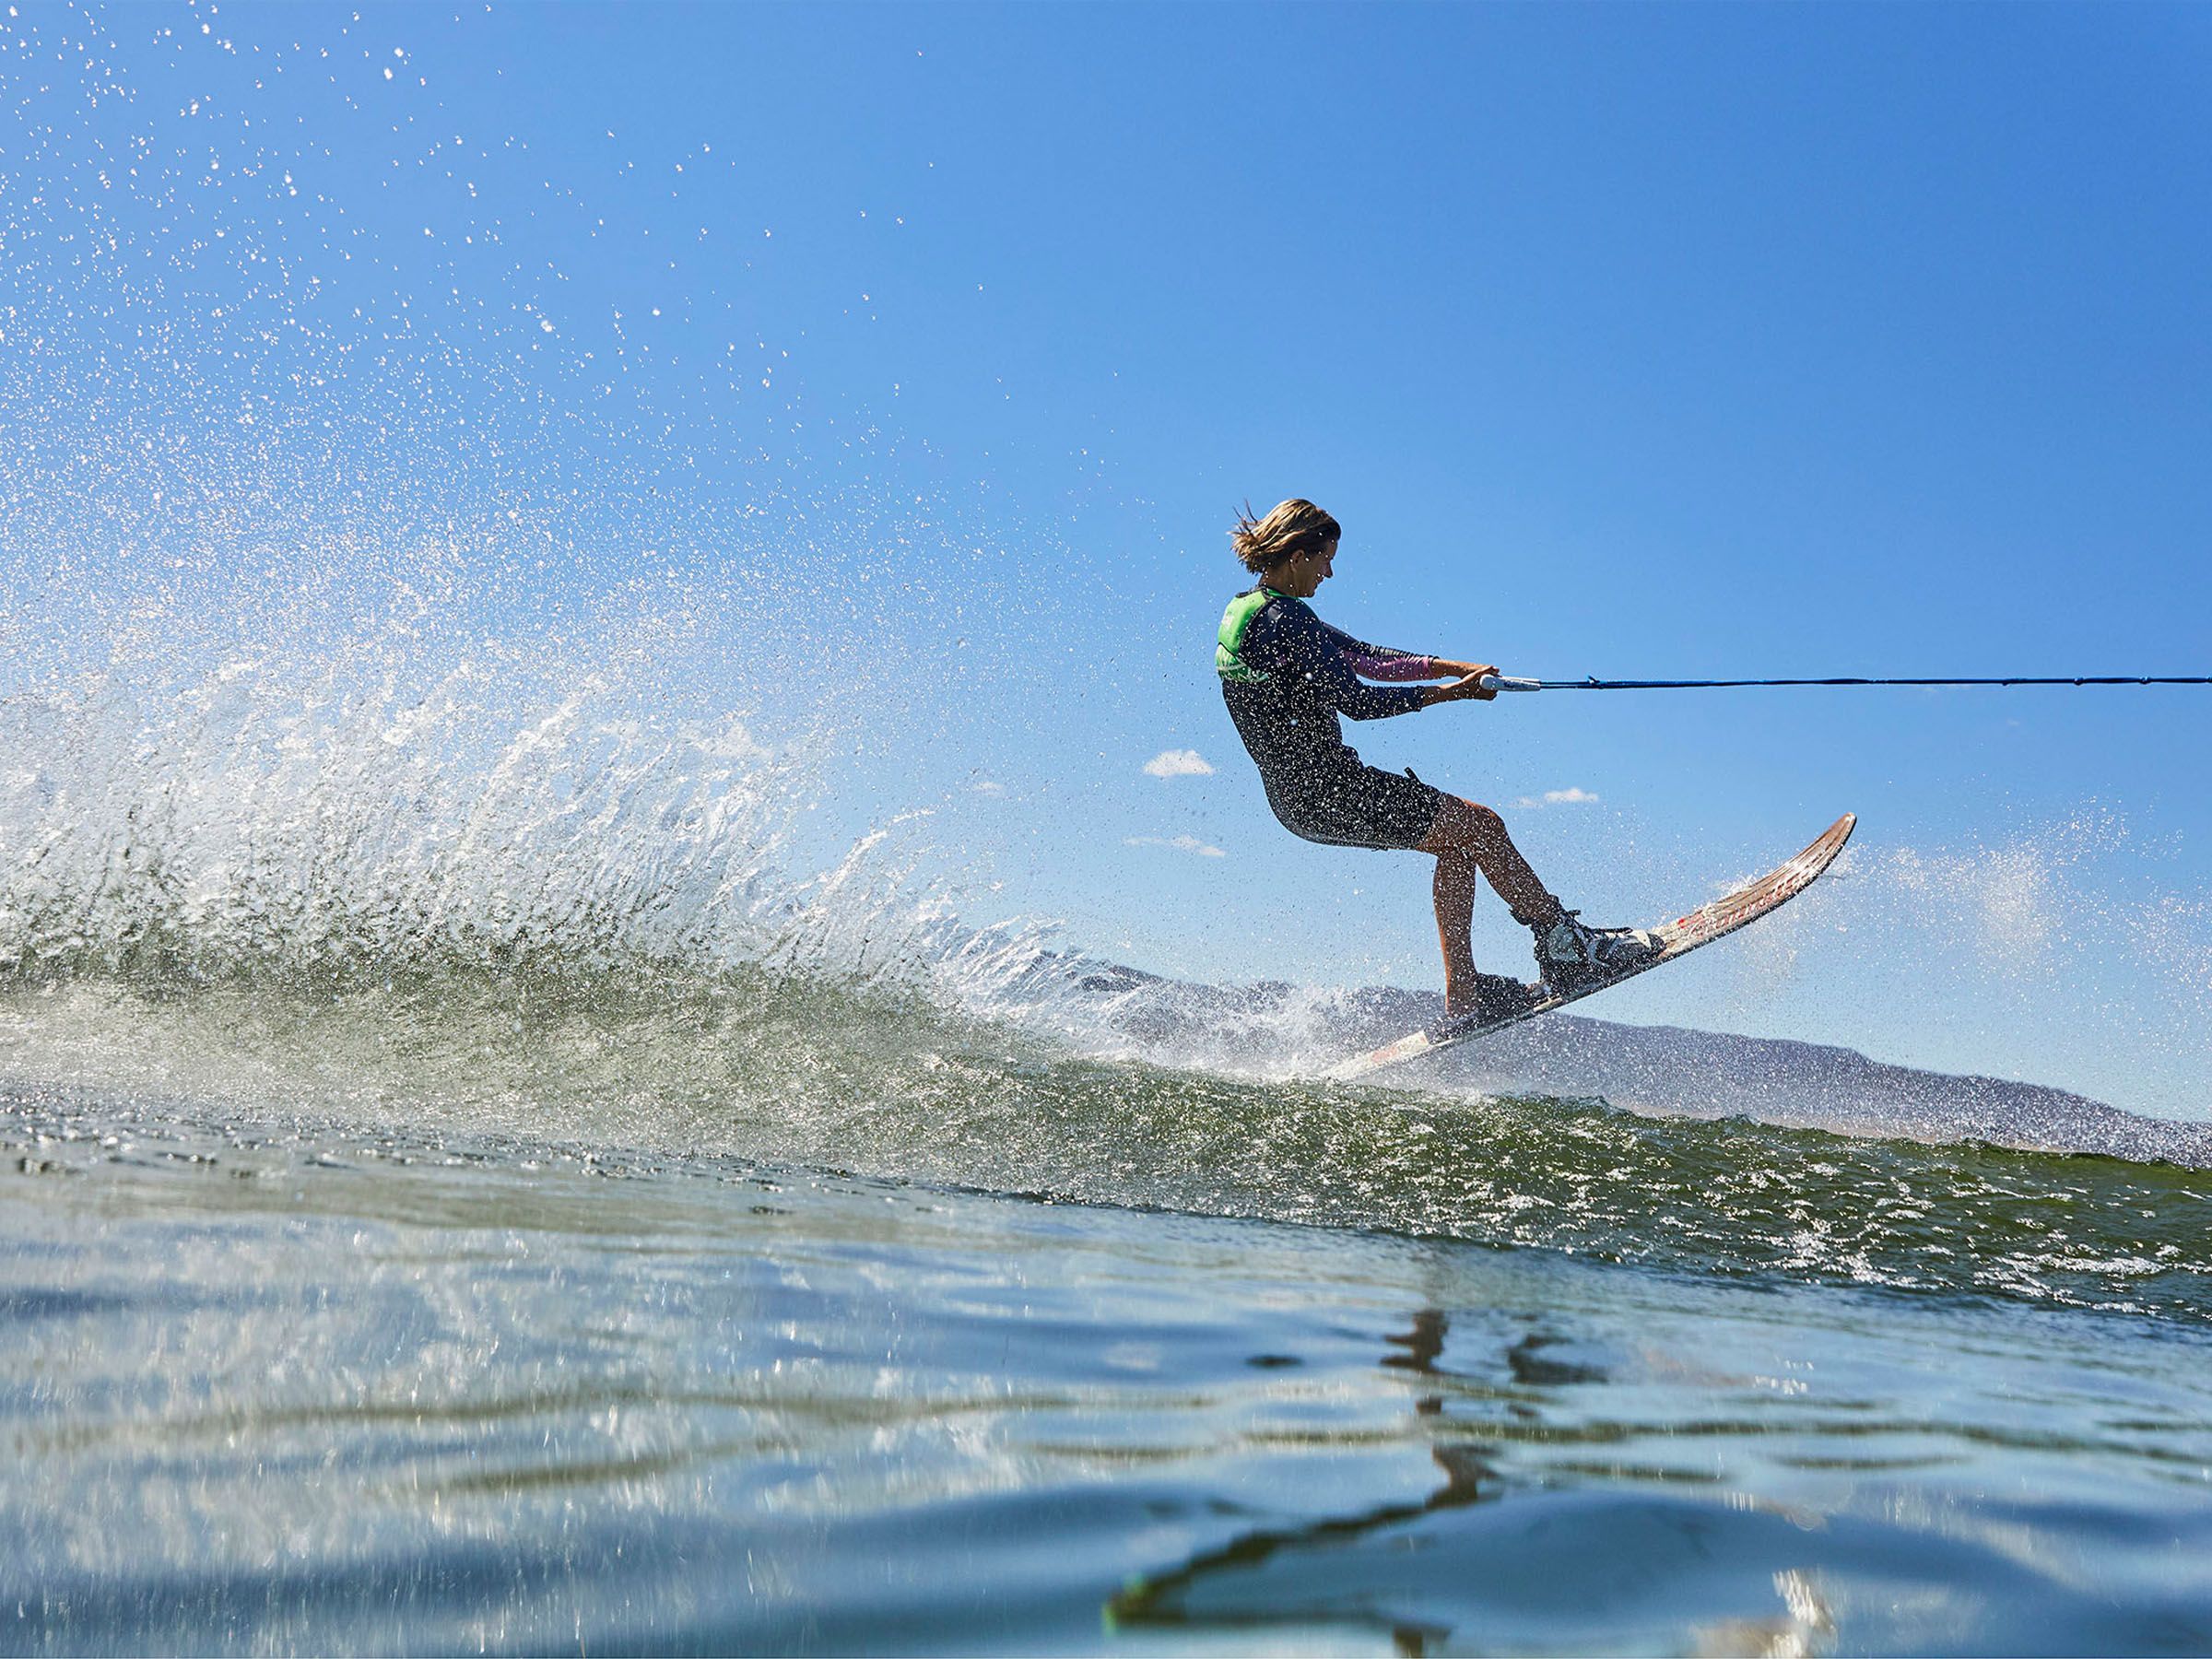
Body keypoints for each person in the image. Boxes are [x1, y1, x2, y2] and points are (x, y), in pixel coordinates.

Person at [1215, 498, 1659, 1024]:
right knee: (1483, 826)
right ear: (1296, 555)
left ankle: (1464, 996)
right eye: (1325, 559)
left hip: (1301, 799)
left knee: (1459, 840)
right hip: (1331, 791)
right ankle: (1568, 949)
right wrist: (1451, 693)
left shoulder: (1251, 610)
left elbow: (1364, 656)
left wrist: (1459, 667)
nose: (1329, 571)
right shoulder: (1285, 623)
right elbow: (1358, 700)